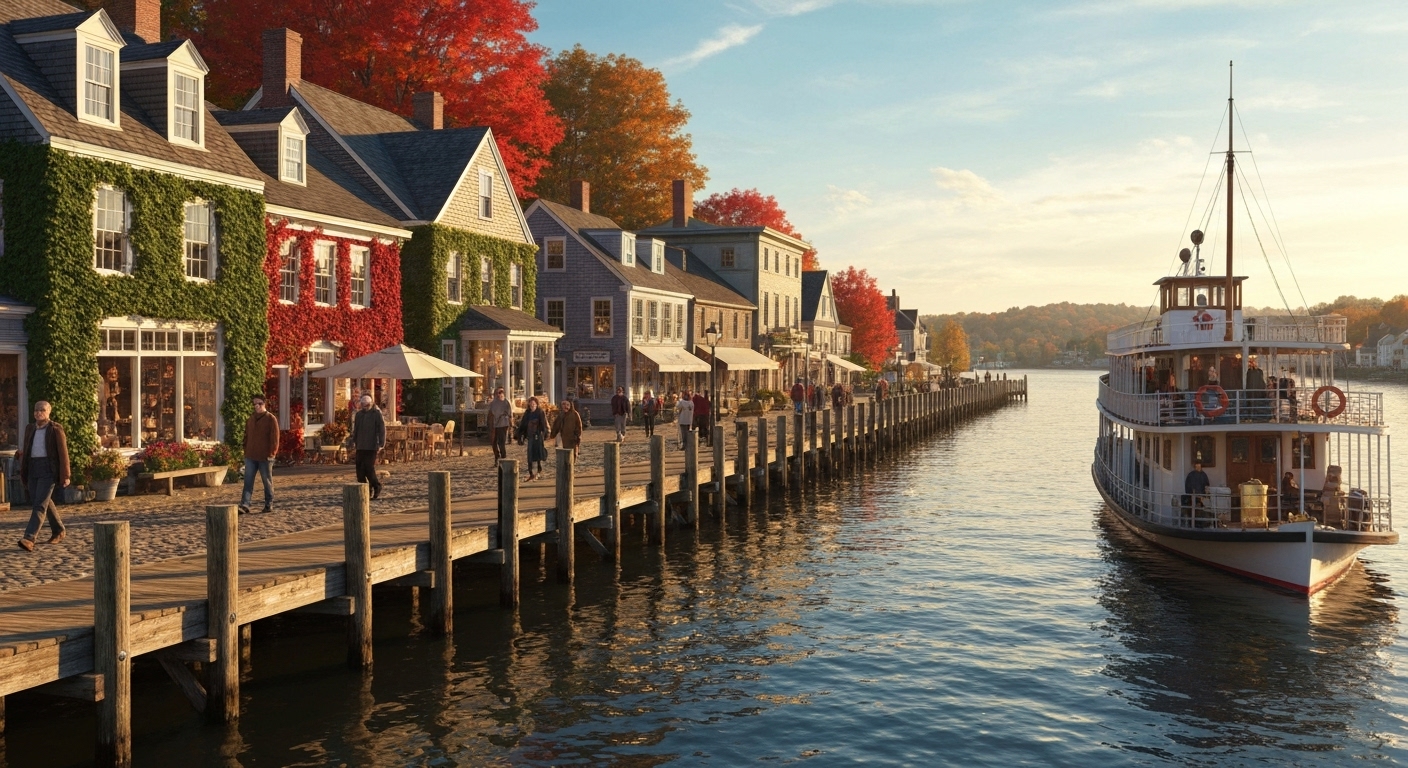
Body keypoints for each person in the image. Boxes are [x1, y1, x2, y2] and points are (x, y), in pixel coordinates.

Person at [17, 401, 69, 552]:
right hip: (33, 468)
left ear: (48, 412)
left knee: (39, 504)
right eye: (36, 410)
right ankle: (59, 530)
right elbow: (27, 447)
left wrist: (65, 474)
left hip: (48, 469)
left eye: (42, 410)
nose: (39, 412)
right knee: (42, 500)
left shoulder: (55, 429)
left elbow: (63, 453)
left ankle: (29, 538)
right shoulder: (30, 428)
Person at [241, 394, 279, 515]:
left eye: (259, 403)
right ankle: (245, 504)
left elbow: (275, 438)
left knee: (266, 481)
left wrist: (272, 453)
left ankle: (269, 504)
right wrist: (245, 449)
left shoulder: (270, 419)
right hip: (251, 455)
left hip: (265, 456)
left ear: (264, 404)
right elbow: (246, 435)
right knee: (248, 481)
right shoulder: (251, 419)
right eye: (255, 404)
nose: (257, 406)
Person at [349, 394, 385, 500]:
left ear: (371, 404)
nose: (365, 407)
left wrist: (381, 444)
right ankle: (365, 489)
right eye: (363, 405)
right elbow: (356, 429)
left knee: (369, 468)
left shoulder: (376, 414)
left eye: (367, 405)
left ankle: (376, 486)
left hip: (372, 445)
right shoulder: (359, 415)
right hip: (360, 445)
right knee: (360, 470)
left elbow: (381, 429)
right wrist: (353, 441)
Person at [515, 397, 549, 480]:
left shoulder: (540, 412)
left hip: (538, 435)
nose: (532, 405)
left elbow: (544, 424)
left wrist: (545, 433)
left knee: (538, 453)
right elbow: (523, 424)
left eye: (534, 404)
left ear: (536, 404)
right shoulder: (527, 413)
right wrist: (519, 435)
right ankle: (531, 472)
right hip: (530, 436)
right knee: (530, 454)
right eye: (531, 404)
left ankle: (538, 469)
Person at [488, 387, 513, 461]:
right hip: (494, 424)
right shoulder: (493, 403)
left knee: (501, 441)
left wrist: (511, 424)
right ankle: (497, 456)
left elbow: (509, 414)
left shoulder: (506, 403)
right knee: (494, 442)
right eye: (499, 393)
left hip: (503, 424)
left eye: (501, 393)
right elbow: (491, 412)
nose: (500, 394)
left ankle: (503, 456)